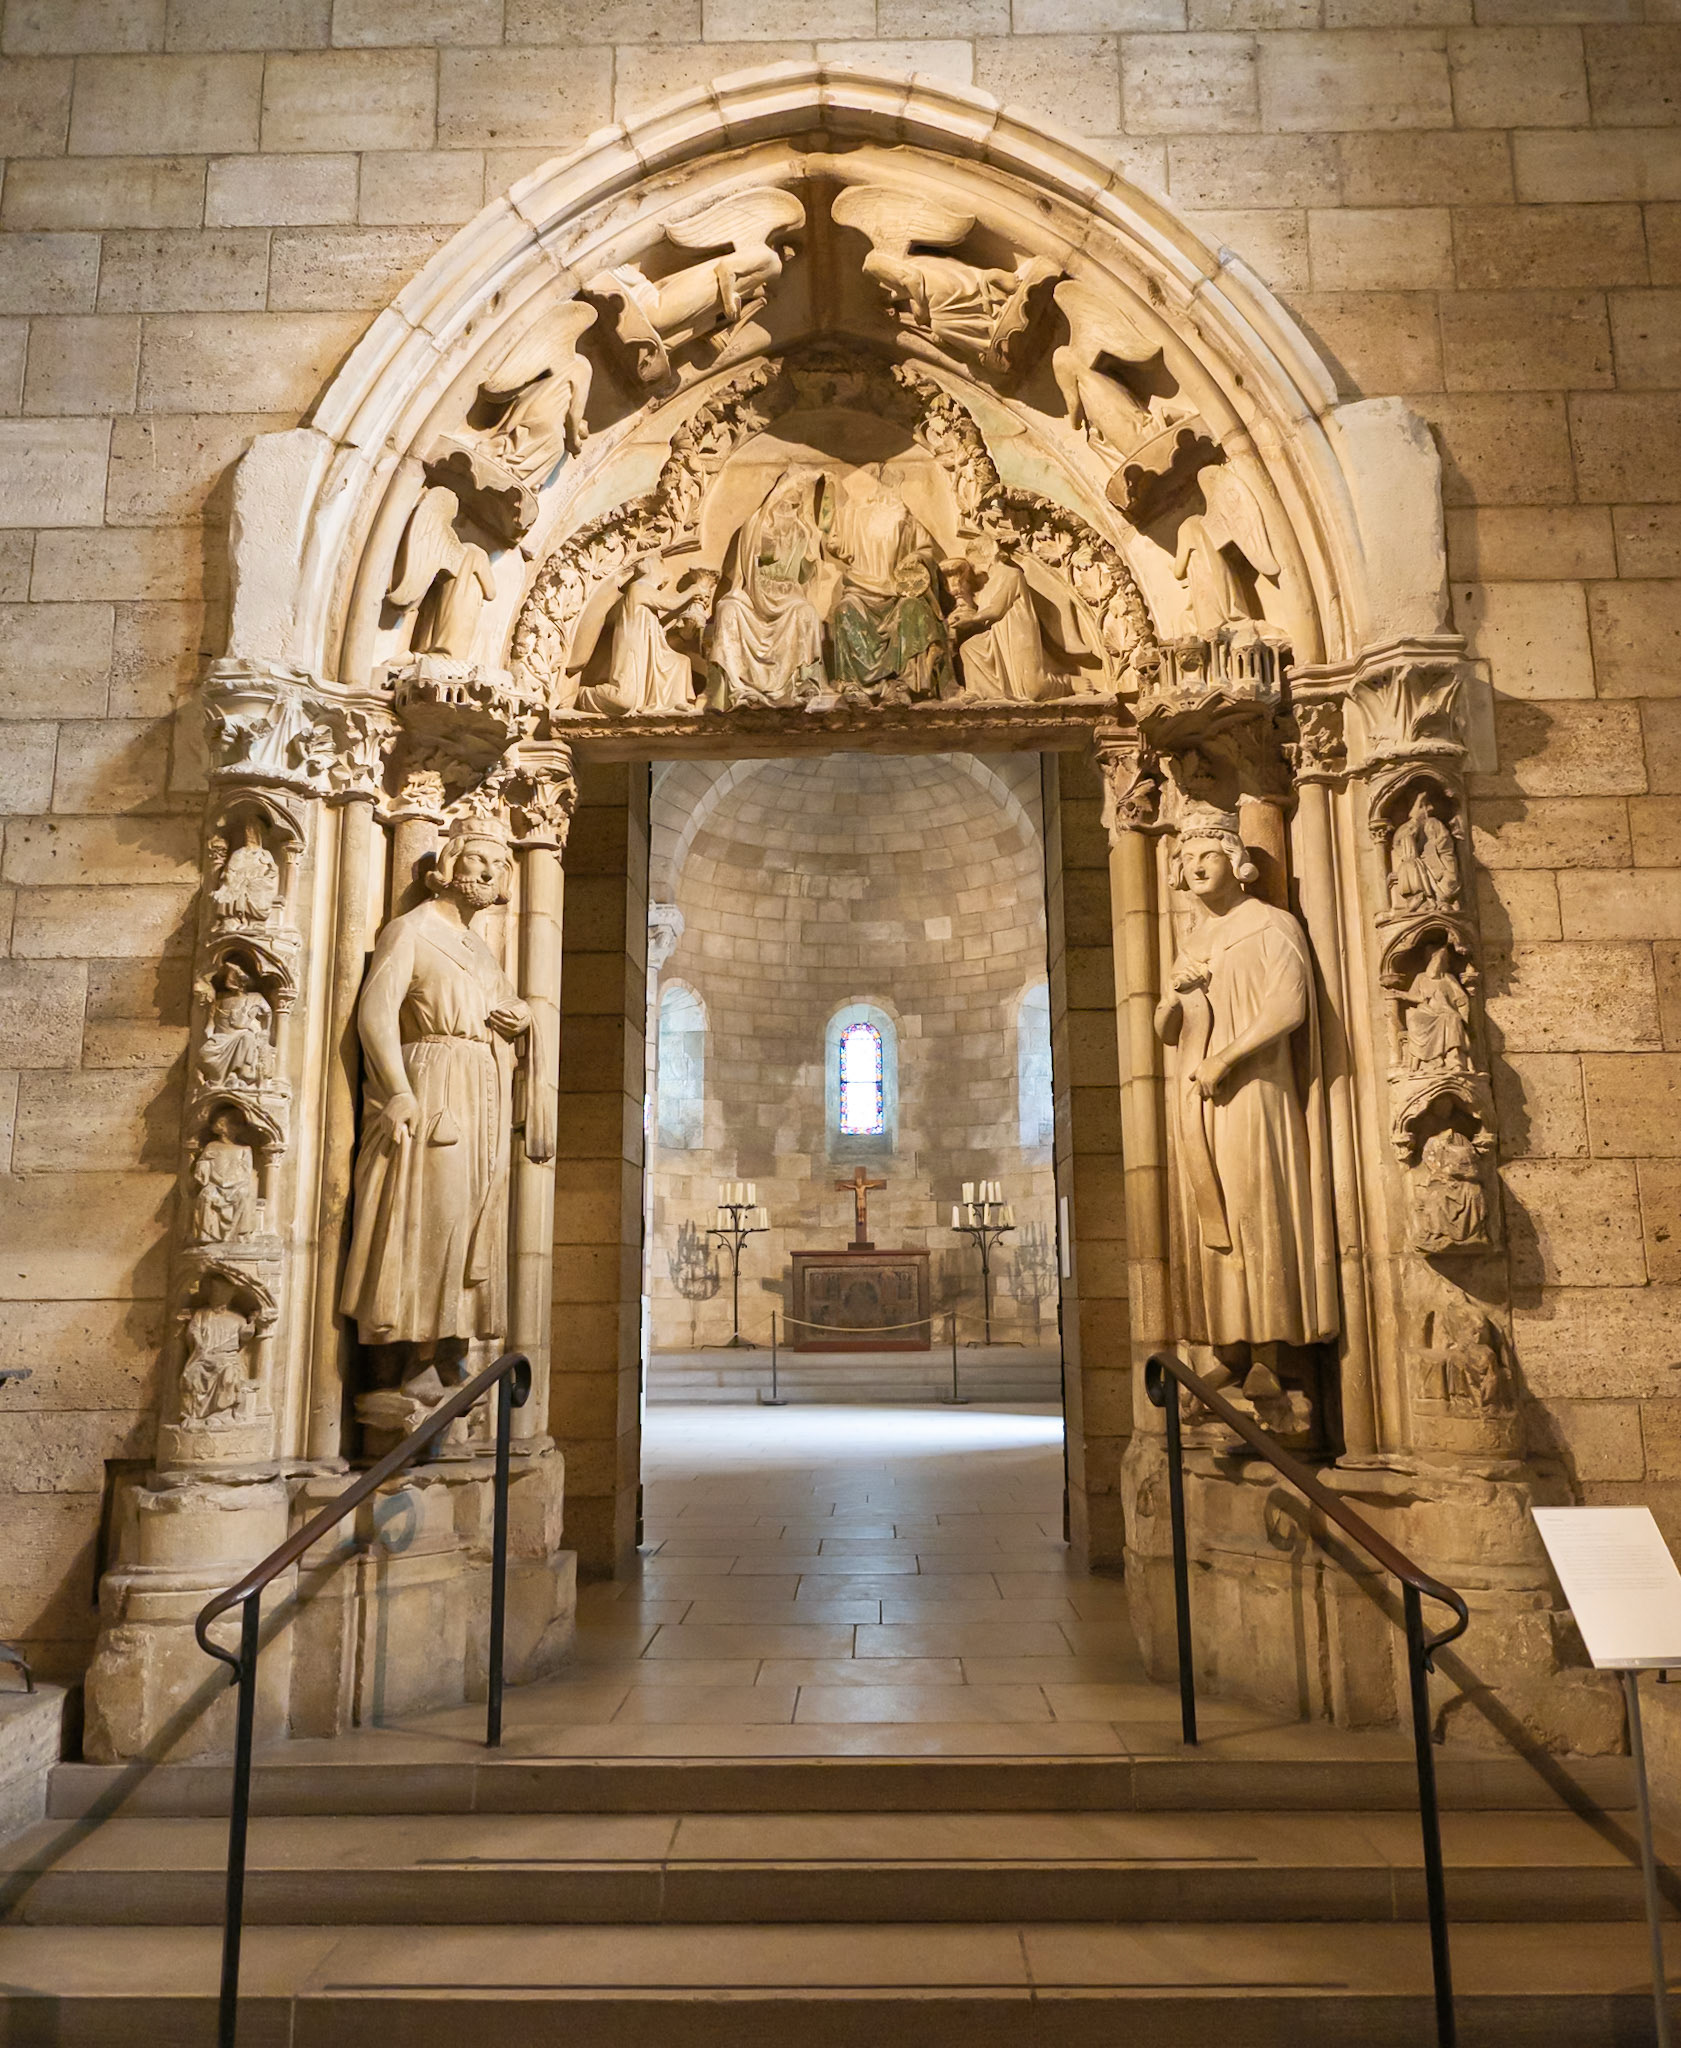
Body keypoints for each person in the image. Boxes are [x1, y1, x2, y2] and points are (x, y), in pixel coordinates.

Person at [340, 817, 549, 1392]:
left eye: (498, 864)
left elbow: (499, 1003)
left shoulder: (479, 947)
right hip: (434, 1081)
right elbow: (377, 1012)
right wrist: (397, 1090)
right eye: (477, 859)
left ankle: (449, 1342)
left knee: (479, 1206)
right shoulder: (410, 929)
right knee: (436, 1209)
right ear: (448, 865)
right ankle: (407, 1355)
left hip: (483, 1082)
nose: (487, 871)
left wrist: (522, 1019)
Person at [1153, 812, 1338, 1357]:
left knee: (1257, 1205)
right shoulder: (1193, 940)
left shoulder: (1269, 923)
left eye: (1206, 856)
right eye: (1186, 860)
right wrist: (1172, 997)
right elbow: (1166, 1030)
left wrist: (1226, 1059)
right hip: (1198, 1099)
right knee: (1212, 1213)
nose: (1195, 867)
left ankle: (1273, 1350)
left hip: (1254, 1091)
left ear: (1237, 863)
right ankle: (1229, 1346)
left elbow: (1289, 1007)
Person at [826, 465, 953, 699]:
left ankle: (907, 682)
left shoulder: (902, 517)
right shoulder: (850, 514)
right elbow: (833, 543)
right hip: (860, 589)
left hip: (897, 593)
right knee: (844, 611)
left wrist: (915, 557)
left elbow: (925, 549)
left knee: (912, 609)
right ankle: (855, 685)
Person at [703, 470, 827, 708]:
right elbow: (751, 564)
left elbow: (803, 575)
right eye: (786, 503)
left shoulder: (802, 531)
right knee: (728, 609)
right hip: (754, 595)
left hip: (788, 597)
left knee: (806, 612)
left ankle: (804, 683)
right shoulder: (757, 525)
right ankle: (731, 688)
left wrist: (811, 551)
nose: (790, 510)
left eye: (795, 505)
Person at [946, 538, 1052, 702]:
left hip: (1017, 634)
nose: (973, 566)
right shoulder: (988, 584)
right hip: (996, 636)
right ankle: (979, 691)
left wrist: (972, 618)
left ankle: (1070, 682)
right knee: (969, 648)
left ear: (987, 554)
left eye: (974, 559)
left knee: (1033, 690)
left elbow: (996, 609)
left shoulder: (1011, 574)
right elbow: (983, 612)